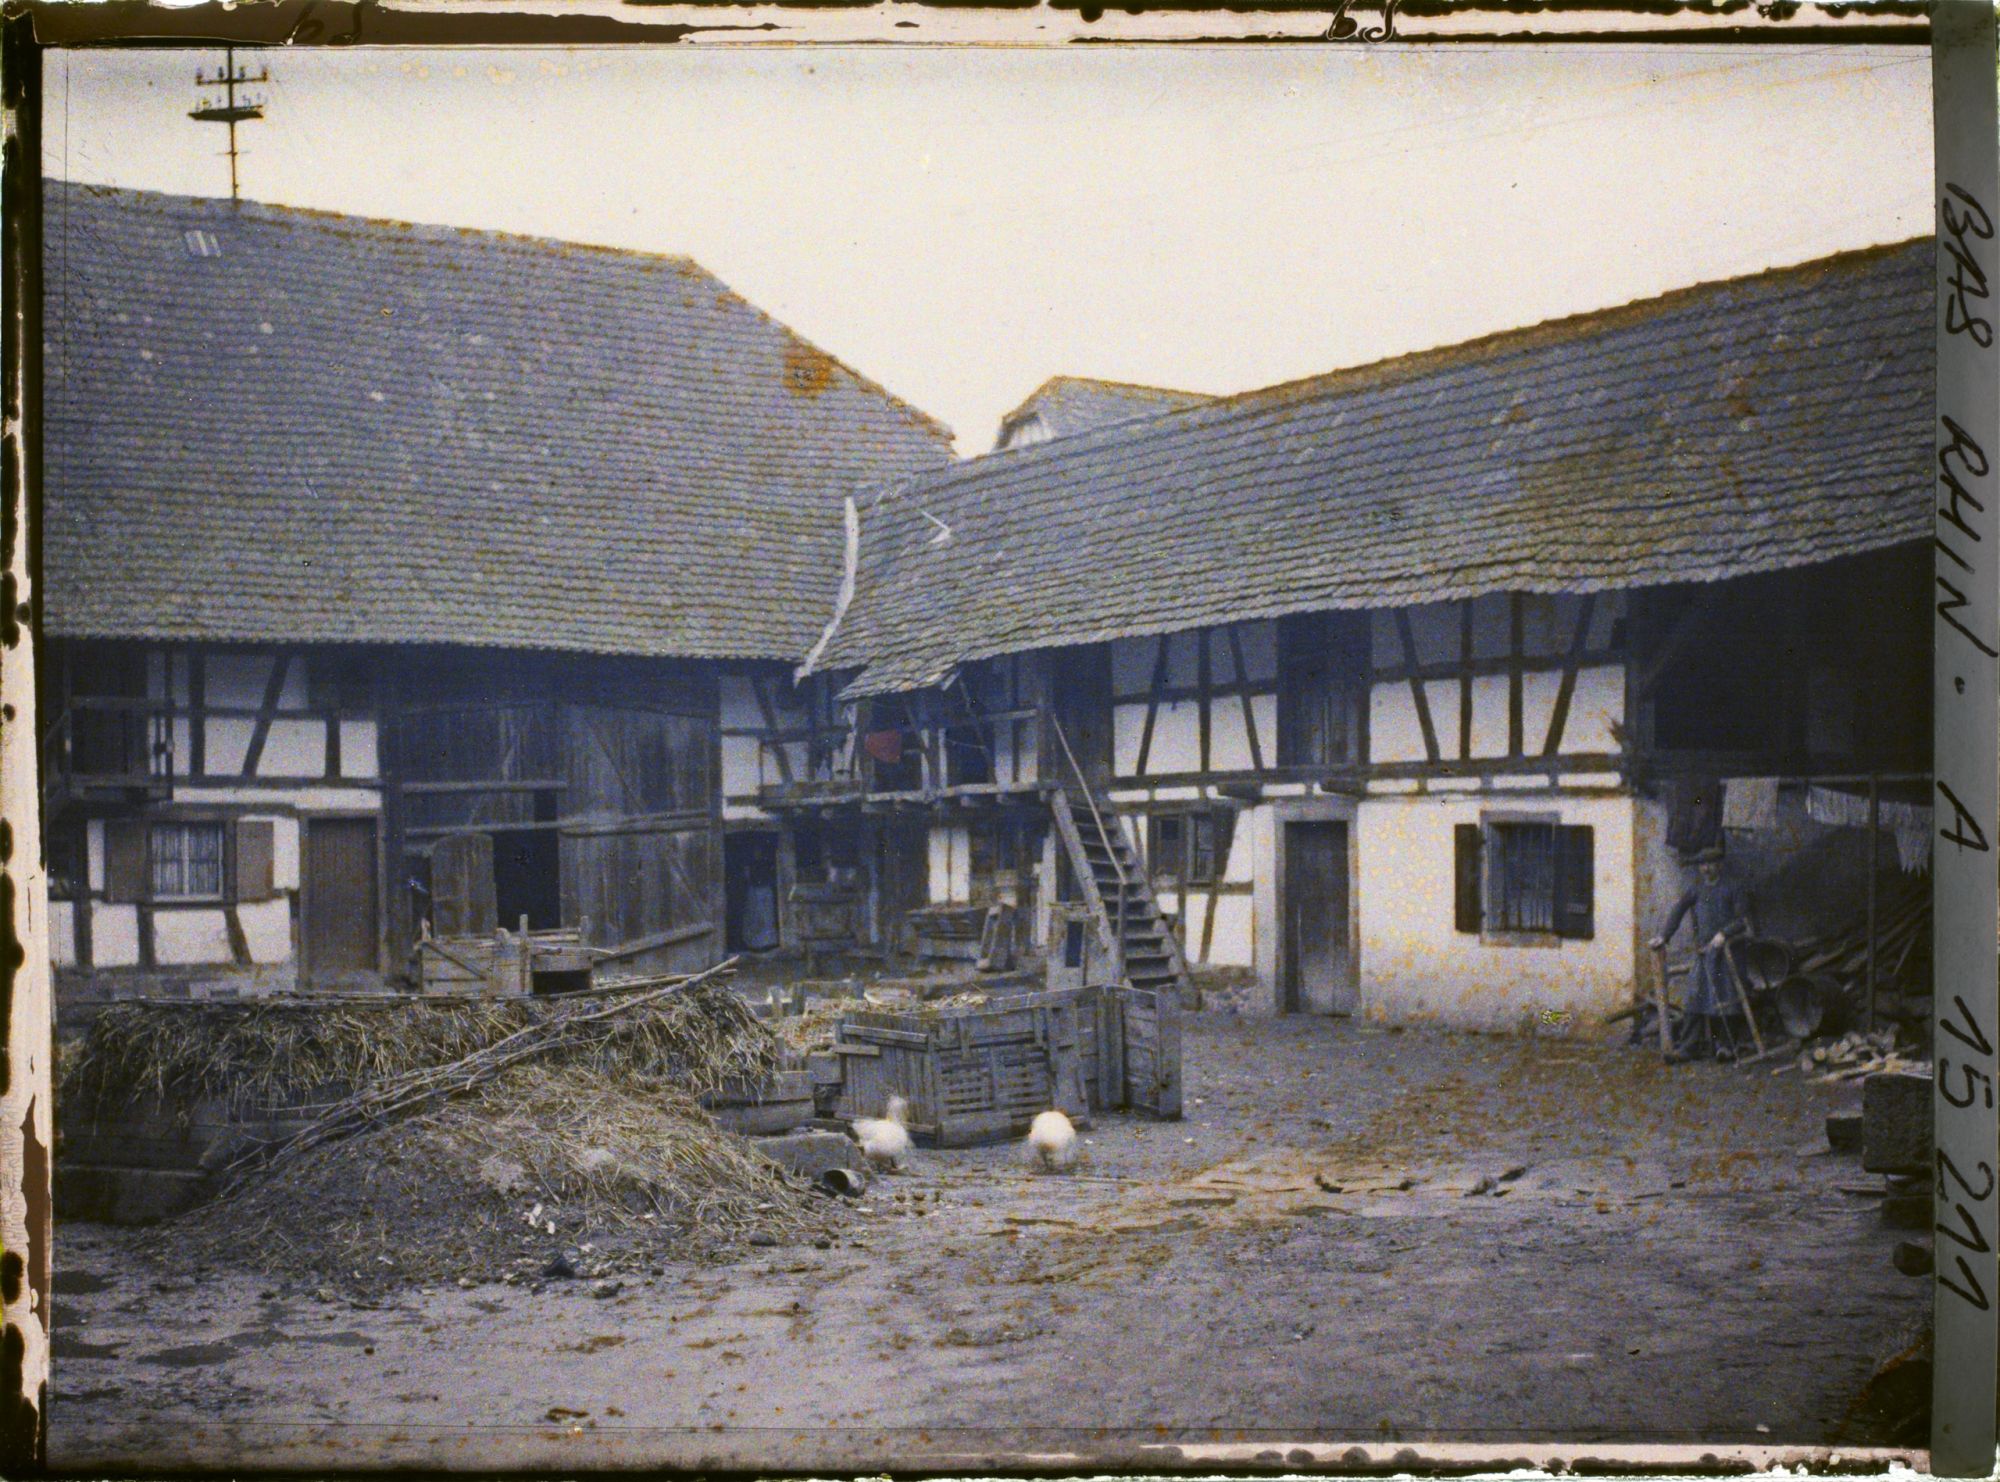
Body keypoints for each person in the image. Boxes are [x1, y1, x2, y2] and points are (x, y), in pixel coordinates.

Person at [1649, 845, 1755, 1062]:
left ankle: (1725, 1046)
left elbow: (1743, 920)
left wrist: (1724, 934)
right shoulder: (1696, 889)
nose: (1706, 869)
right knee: (1694, 999)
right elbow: (1678, 911)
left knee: (1726, 1001)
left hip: (1728, 954)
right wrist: (1664, 936)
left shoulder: (1733, 888)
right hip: (1705, 954)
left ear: (1720, 865)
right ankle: (1688, 1048)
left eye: (1711, 864)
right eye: (1703, 865)